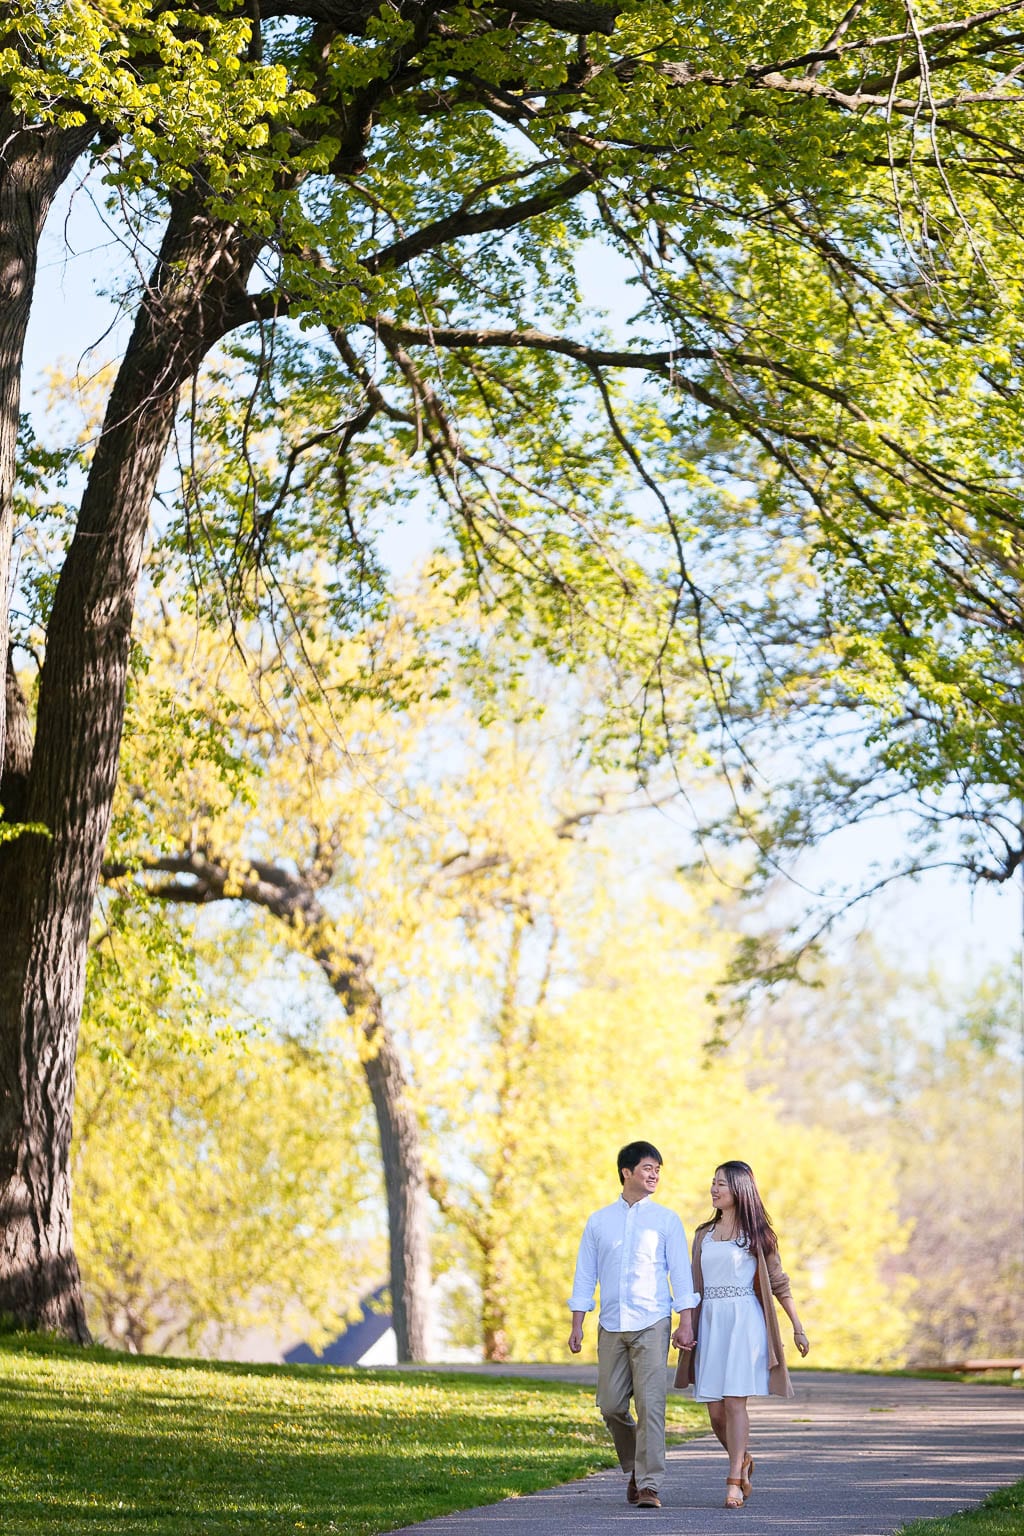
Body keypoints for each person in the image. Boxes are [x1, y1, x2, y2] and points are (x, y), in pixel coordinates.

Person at [568, 1140, 699, 1511]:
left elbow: (681, 1276)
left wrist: (684, 1322)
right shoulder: (599, 1221)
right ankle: (634, 1467)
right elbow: (584, 1275)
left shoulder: (666, 1220)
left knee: (651, 1405)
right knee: (610, 1405)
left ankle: (649, 1485)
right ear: (627, 1172)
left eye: (658, 1168)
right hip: (611, 1324)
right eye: (647, 1168)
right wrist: (577, 1323)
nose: (655, 1174)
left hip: (653, 1322)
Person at [674, 1160, 810, 1509]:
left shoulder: (757, 1235)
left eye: (721, 1183)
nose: (714, 1189)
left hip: (744, 1322)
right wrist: (685, 1322)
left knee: (735, 1402)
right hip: (711, 1322)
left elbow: (779, 1283)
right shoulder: (702, 1235)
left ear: (739, 1190)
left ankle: (734, 1480)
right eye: (713, 1182)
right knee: (715, 1412)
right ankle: (744, 1458)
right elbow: (690, 1283)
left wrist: (797, 1326)